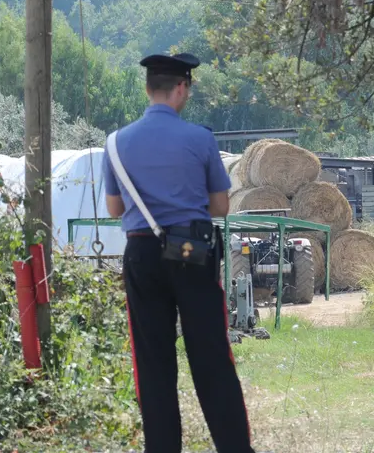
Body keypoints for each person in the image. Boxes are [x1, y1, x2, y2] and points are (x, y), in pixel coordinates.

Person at [102, 52, 256, 453]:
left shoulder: (115, 143)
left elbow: (115, 209)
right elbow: (221, 206)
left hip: (141, 254)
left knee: (153, 364)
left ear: (147, 87)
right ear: (182, 88)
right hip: (191, 248)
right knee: (210, 358)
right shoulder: (200, 138)